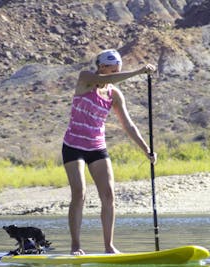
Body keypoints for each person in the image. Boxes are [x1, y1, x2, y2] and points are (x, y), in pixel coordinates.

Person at [62, 49, 157, 255]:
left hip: (96, 147)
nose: (114, 73)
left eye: (117, 69)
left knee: (108, 195)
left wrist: (146, 149)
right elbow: (108, 79)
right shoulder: (86, 78)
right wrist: (139, 71)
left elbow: (128, 125)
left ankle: (109, 246)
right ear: (101, 67)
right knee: (79, 193)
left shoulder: (114, 94)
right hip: (73, 145)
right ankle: (76, 246)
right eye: (111, 69)